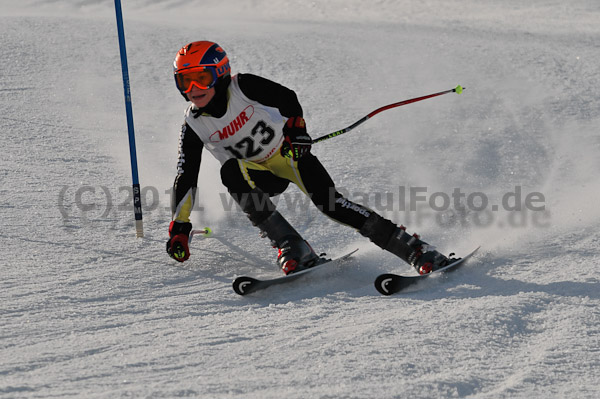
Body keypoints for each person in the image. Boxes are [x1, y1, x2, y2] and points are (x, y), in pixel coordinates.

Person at [166, 40, 454, 275]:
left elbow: (287, 98)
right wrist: (180, 225)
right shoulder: (193, 123)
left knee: (333, 206)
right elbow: (187, 173)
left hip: (289, 156)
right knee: (230, 171)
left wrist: (296, 129)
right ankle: (292, 245)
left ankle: (416, 250)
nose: (193, 90)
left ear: (220, 73)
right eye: (184, 82)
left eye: (201, 79)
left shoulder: (243, 87)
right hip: (257, 174)